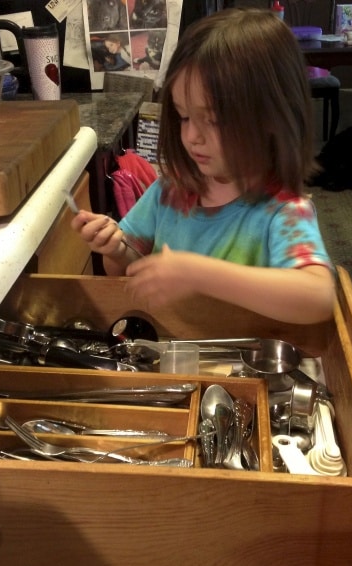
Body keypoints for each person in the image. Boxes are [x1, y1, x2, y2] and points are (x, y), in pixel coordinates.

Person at [72, 7, 336, 328]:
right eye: (184, 116)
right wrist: (115, 250)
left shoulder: (282, 211)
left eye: (211, 119)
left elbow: (319, 298)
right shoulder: (169, 190)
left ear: (271, 117)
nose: (191, 136)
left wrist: (197, 274)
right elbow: (126, 272)